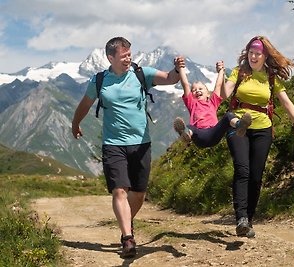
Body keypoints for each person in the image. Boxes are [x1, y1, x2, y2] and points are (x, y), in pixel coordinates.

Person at [71, 37, 184, 258]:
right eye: (123, 56)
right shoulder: (100, 80)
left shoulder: (142, 74)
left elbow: (170, 79)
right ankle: (127, 238)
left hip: (141, 144)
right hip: (113, 144)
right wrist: (75, 123)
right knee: (120, 190)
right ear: (110, 57)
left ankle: (126, 221)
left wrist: (177, 69)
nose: (128, 59)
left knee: (139, 194)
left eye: (129, 54)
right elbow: (85, 104)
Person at [222, 36, 294, 238]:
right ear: (247, 53)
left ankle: (247, 221)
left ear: (264, 55)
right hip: (237, 125)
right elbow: (225, 93)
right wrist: (220, 78)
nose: (254, 56)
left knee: (256, 176)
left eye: (257, 53)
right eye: (251, 53)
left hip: (263, 129)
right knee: (243, 170)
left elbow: (285, 101)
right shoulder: (238, 72)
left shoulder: (271, 77)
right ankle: (240, 217)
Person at [173, 59, 252, 148]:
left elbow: (218, 85)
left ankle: (240, 125)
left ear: (208, 94)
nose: (197, 91)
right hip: (199, 135)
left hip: (214, 133)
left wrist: (221, 71)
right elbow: (185, 85)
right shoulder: (192, 104)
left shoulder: (212, 102)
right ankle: (185, 135)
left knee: (228, 116)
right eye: (194, 90)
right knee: (190, 127)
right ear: (192, 95)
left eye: (200, 89)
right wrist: (180, 69)